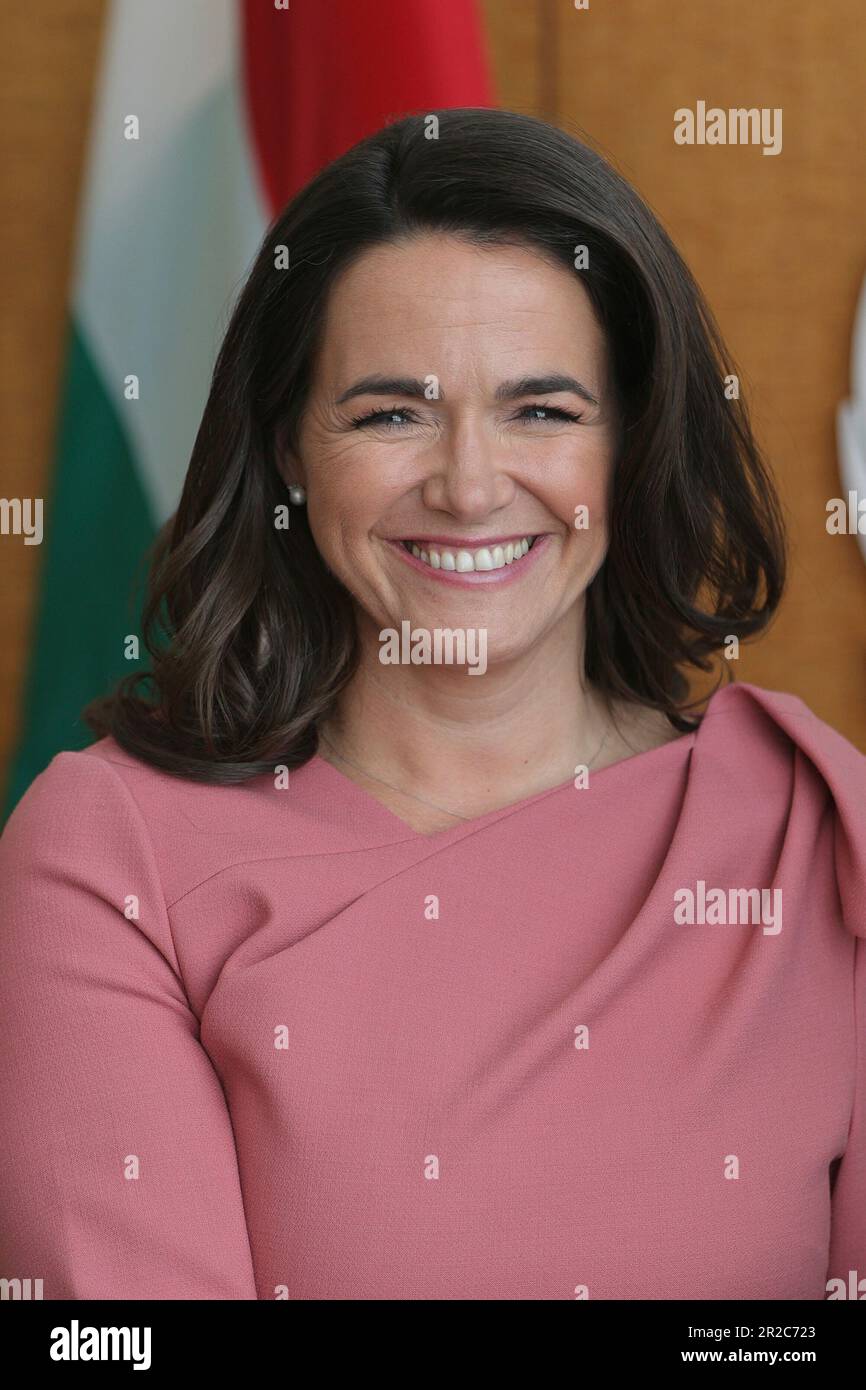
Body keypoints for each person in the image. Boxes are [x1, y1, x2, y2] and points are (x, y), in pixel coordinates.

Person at [1, 107, 863, 1301]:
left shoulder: (814, 836)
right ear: (291, 450)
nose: (466, 485)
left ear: (630, 443)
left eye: (542, 411)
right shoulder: (109, 856)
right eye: (390, 411)